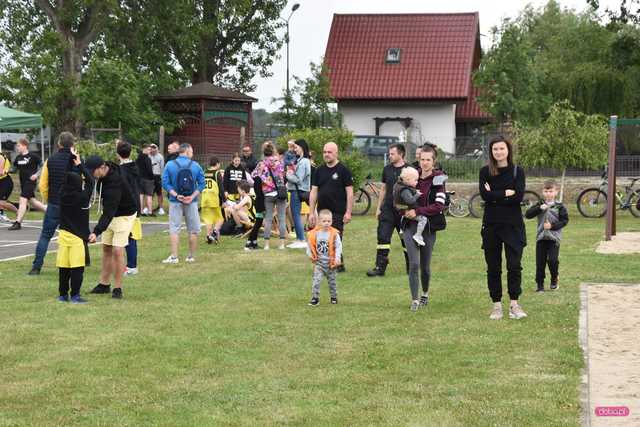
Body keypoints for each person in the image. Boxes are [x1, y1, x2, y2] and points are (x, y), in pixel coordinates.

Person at [479, 136, 528, 320]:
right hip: (492, 225)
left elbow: (518, 197)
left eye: (501, 148)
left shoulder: (518, 171)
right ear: (491, 152)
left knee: (514, 266)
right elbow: (485, 196)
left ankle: (514, 304)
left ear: (508, 150)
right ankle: (497, 305)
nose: (498, 152)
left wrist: (495, 195)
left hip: (513, 226)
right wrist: (505, 193)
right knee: (493, 267)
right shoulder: (485, 172)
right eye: (495, 149)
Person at [84, 155, 138, 299]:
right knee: (106, 248)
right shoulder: (104, 170)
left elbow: (109, 212)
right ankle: (104, 284)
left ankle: (118, 288)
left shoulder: (115, 182)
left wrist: (96, 232)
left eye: (92, 172)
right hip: (111, 214)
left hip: (124, 215)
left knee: (117, 250)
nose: (91, 175)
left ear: (102, 168)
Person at [401, 147, 447, 311]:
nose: (425, 162)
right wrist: (404, 211)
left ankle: (425, 294)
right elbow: (398, 196)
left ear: (434, 161)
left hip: (428, 227)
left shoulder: (438, 179)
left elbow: (439, 205)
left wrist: (418, 211)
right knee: (414, 264)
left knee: (425, 266)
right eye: (422, 159)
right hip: (409, 226)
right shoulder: (411, 175)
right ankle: (414, 300)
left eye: (428, 159)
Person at [29, 131, 77, 275]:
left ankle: (36, 267)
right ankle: (75, 264)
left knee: (45, 236)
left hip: (55, 202)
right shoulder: (76, 160)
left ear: (59, 144)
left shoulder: (51, 159)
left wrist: (47, 198)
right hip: (72, 204)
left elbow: (43, 184)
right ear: (73, 144)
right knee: (75, 235)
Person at [308, 142, 353, 272]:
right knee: (323, 238)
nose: (326, 154)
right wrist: (311, 213)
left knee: (335, 238)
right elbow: (314, 191)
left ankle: (337, 264)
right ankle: (330, 264)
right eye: (324, 152)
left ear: (336, 153)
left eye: (329, 152)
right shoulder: (319, 170)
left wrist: (348, 212)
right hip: (322, 212)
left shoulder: (343, 170)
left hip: (338, 211)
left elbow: (349, 193)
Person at [366, 143, 409, 277]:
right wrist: (379, 208)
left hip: (403, 211)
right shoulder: (387, 169)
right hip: (387, 210)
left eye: (392, 154)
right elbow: (383, 189)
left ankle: (411, 267)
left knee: (406, 240)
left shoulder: (409, 169)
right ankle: (380, 268)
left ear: (401, 154)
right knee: (383, 238)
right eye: (389, 154)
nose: (390, 156)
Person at [56, 153, 93, 303]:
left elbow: (64, 177)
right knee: (77, 268)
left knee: (63, 267)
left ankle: (63, 294)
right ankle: (75, 295)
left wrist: (70, 162)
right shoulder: (82, 197)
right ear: (78, 184)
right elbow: (91, 181)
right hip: (77, 237)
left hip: (63, 235)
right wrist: (79, 165)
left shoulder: (62, 194)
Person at [161, 143, 205, 264]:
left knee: (174, 228)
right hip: (192, 201)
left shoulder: (170, 165)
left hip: (175, 201)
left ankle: (174, 257)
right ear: (186, 152)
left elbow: (165, 183)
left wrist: (175, 194)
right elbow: (202, 184)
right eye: (191, 152)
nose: (192, 154)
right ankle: (191, 256)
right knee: (193, 229)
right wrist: (192, 196)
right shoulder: (195, 165)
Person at [525, 179, 569, 292]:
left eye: (551, 191)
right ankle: (540, 286)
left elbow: (564, 221)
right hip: (541, 238)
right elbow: (528, 215)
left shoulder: (559, 206)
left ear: (556, 192)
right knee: (540, 262)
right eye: (546, 191)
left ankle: (554, 278)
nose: (548, 193)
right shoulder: (540, 204)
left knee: (552, 260)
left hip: (554, 239)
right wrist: (539, 208)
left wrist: (552, 226)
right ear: (543, 192)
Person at [252, 142, 287, 250]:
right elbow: (284, 174)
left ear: (264, 152)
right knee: (281, 219)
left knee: (268, 219)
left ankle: (267, 245)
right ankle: (281, 244)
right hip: (280, 193)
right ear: (273, 150)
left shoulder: (261, 163)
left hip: (268, 194)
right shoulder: (279, 162)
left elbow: (253, 175)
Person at [116, 141, 143, 276]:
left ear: (117, 154)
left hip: (127, 206)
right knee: (129, 236)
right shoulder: (135, 167)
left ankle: (132, 265)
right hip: (135, 204)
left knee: (129, 237)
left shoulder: (121, 170)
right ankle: (130, 264)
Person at [7, 138, 46, 230]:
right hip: (23, 183)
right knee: (33, 202)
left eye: (19, 145)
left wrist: (36, 175)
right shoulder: (18, 158)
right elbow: (13, 170)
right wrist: (6, 170)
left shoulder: (33, 156)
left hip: (31, 182)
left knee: (23, 199)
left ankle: (18, 222)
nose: (17, 147)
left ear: (25, 145)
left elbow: (44, 166)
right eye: (17, 146)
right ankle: (53, 212)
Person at [307, 209, 342, 306]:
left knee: (332, 282)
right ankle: (315, 298)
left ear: (331, 221)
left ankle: (334, 297)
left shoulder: (334, 234)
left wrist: (337, 258)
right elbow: (310, 245)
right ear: (319, 221)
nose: (326, 223)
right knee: (316, 281)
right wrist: (310, 255)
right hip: (319, 264)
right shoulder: (315, 233)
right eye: (324, 221)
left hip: (331, 264)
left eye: (329, 221)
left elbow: (338, 246)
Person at [393, 167, 434, 246]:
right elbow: (410, 200)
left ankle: (401, 229)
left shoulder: (398, 185)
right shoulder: (405, 190)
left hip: (401, 208)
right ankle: (418, 235)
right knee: (423, 219)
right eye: (415, 180)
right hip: (407, 209)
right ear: (408, 180)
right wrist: (417, 195)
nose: (417, 182)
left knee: (403, 216)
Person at [286, 139, 311, 249]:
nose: (295, 149)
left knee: (296, 215)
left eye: (296, 147)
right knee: (295, 214)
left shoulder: (304, 161)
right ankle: (299, 238)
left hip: (297, 190)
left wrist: (288, 175)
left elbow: (298, 179)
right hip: (297, 190)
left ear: (302, 147)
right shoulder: (301, 160)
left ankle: (301, 239)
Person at [201, 156, 225, 244]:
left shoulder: (205, 172)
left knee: (209, 219)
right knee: (220, 219)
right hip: (214, 199)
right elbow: (221, 188)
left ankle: (208, 236)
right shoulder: (217, 173)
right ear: (217, 164)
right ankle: (215, 232)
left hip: (205, 199)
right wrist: (224, 201)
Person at [136, 144, 155, 216]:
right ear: (144, 149)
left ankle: (140, 211)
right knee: (149, 195)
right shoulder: (147, 159)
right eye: (149, 149)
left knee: (141, 195)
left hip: (139, 178)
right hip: (148, 179)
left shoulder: (138, 158)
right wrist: (152, 178)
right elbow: (149, 170)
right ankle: (150, 211)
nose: (150, 151)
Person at [0, 150, 18, 222]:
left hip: (5, 182)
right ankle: (1, 214)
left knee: (2, 203)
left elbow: (1, 172)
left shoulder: (1, 157)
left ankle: (18, 212)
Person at [149, 143, 165, 215]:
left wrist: (162, 177)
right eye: (151, 148)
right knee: (149, 194)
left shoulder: (160, 157)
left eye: (154, 148)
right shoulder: (148, 156)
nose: (152, 149)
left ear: (157, 149)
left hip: (158, 176)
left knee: (159, 193)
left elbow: (162, 168)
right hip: (150, 176)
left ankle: (161, 208)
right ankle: (148, 208)